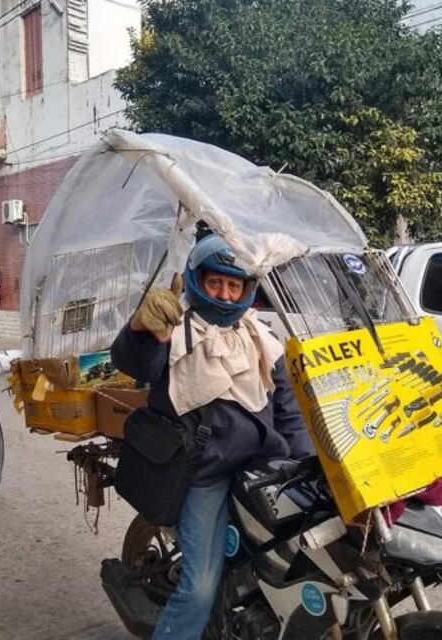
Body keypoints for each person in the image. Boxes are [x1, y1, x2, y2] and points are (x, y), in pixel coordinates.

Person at [111, 234, 314, 640]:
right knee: (200, 587)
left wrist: (307, 464)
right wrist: (140, 328)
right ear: (196, 281)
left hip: (265, 468)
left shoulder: (260, 336)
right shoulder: (175, 326)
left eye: (233, 285)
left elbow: (289, 410)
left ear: (246, 290)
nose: (224, 293)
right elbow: (137, 364)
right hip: (207, 473)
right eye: (214, 283)